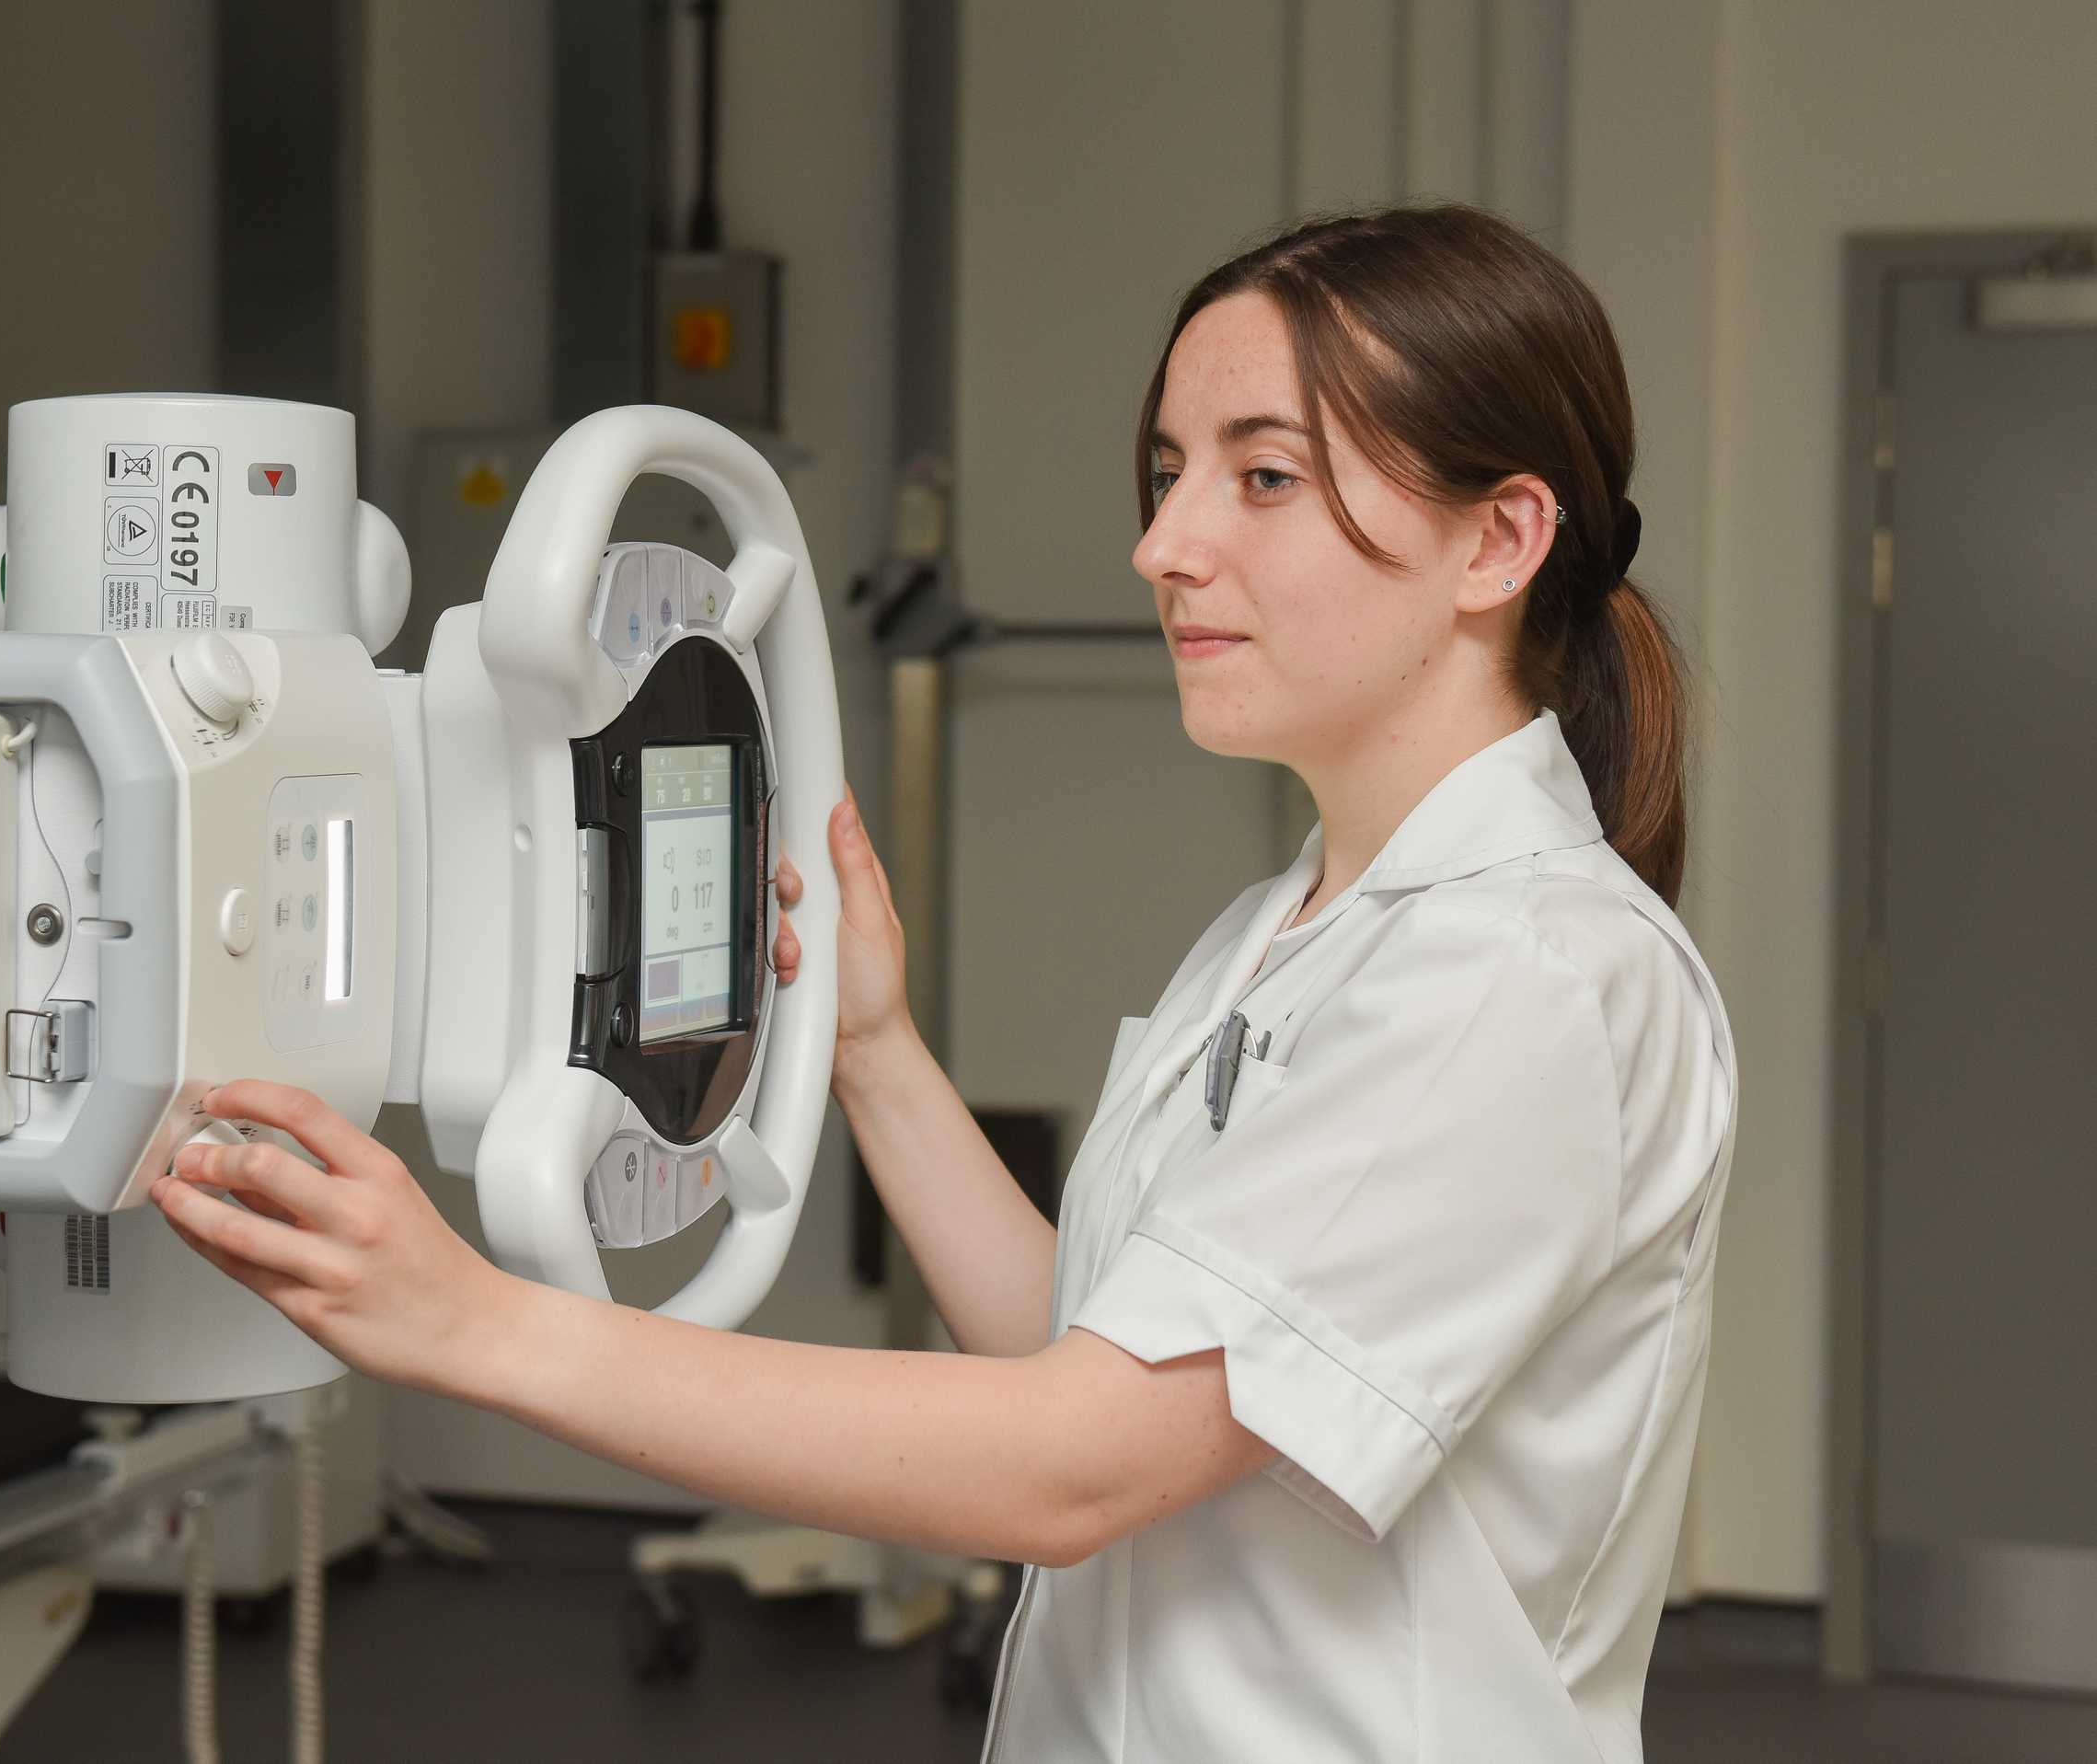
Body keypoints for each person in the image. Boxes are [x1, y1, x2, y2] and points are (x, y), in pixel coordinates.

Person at [150, 202, 1738, 1763]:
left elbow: (1073, 1466)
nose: (1165, 545)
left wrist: (474, 1324)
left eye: (1263, 476)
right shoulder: (1289, 926)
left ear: (1499, 538)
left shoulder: (1522, 975)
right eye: (1171, 473)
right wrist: (872, 1049)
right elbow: (1104, 1349)